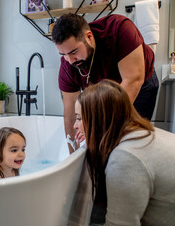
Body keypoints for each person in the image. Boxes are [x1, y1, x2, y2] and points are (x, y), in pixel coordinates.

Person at [77, 79, 175, 225]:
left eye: (79, 118)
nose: (75, 126)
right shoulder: (141, 133)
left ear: (98, 121)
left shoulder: (126, 158)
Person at [52, 13, 159, 154]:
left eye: (74, 52)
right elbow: (70, 113)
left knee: (128, 142)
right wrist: (73, 157)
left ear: (89, 37)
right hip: (105, 93)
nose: (70, 60)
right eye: (63, 54)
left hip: (138, 84)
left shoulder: (119, 29)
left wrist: (100, 128)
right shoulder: (68, 66)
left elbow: (133, 80)